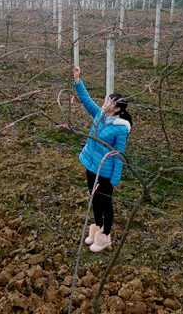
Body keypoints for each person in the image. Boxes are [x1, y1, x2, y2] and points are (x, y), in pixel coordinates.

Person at [72, 66, 132, 252]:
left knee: (105, 202)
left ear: (117, 109)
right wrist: (77, 80)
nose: (105, 103)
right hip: (90, 165)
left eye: (110, 102)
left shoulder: (120, 128)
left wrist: (114, 179)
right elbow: (86, 100)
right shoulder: (102, 115)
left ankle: (105, 235)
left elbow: (118, 154)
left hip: (105, 171)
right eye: (107, 100)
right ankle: (96, 229)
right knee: (94, 199)